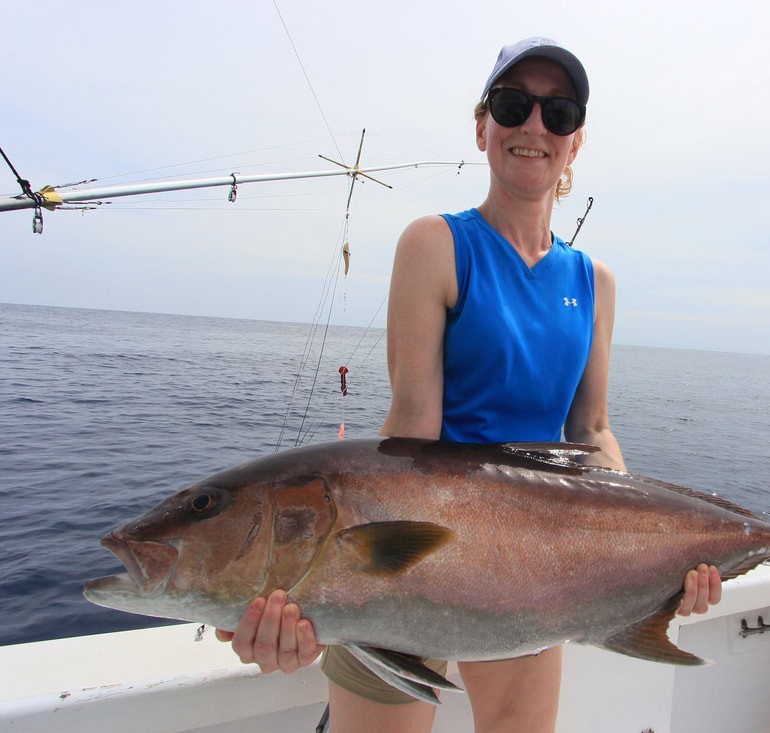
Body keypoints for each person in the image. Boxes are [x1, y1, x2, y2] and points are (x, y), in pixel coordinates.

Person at [217, 37, 721, 732]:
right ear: (482, 127)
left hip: (534, 568)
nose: (534, 127)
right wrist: (317, 586)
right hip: (417, 552)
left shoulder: (595, 282)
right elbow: (413, 430)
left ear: (575, 144)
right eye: (513, 105)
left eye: (559, 113)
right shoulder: (435, 244)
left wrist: (653, 554)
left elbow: (593, 431)